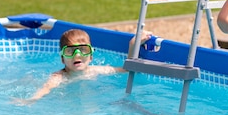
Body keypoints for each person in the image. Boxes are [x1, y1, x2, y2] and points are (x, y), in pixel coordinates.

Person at [15, 28, 153, 104]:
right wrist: (32, 100)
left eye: (83, 50)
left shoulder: (97, 70)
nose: (77, 55)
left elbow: (127, 70)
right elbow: (45, 89)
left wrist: (132, 46)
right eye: (70, 51)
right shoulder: (59, 77)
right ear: (62, 59)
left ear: (91, 56)